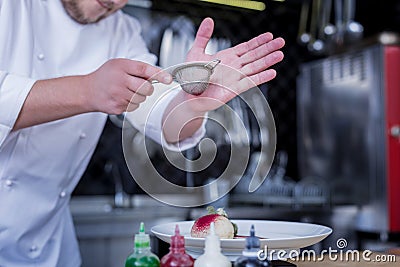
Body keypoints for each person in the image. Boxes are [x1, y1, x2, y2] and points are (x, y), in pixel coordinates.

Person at [0, 0, 285, 265]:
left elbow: (162, 114)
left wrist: (193, 102)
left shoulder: (121, 31)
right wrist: (86, 90)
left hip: (47, 248)